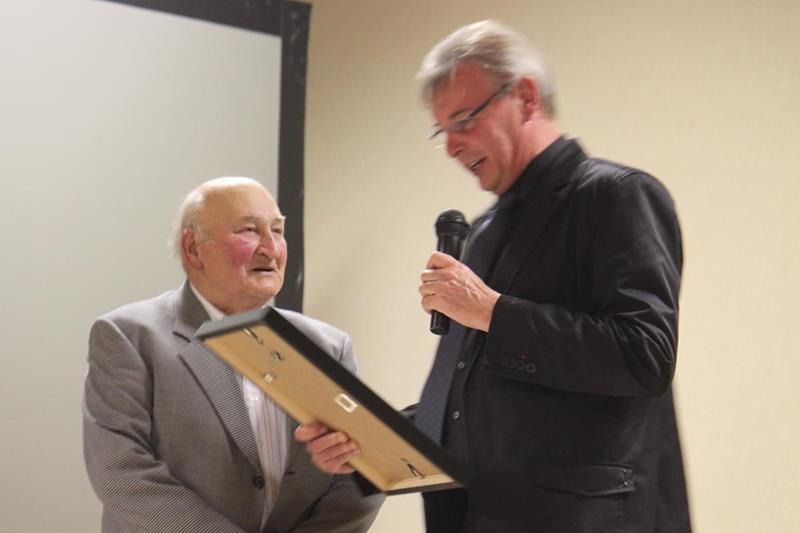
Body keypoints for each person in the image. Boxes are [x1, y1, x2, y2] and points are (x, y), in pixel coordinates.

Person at [297, 20, 691, 533]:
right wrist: (364, 446)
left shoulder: (615, 196)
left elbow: (645, 356)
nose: (452, 146)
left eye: (463, 120)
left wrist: (490, 311)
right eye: (442, 131)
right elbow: (466, 406)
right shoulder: (484, 231)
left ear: (525, 97)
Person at [82, 177, 383, 533]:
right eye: (249, 231)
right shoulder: (129, 335)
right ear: (194, 249)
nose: (271, 248)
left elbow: (363, 472)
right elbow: (120, 471)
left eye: (277, 230)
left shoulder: (328, 346)